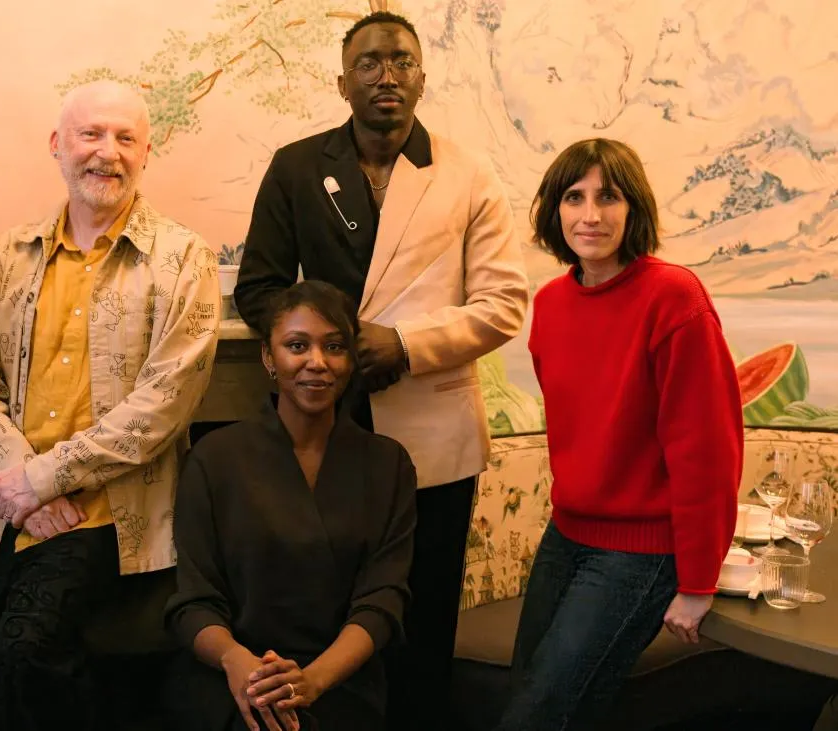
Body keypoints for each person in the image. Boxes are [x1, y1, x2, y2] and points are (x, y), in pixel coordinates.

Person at [232, 11, 528, 727]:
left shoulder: (469, 172)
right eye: (368, 62)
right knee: (321, 612)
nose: (386, 74)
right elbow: (258, 289)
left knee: (421, 625)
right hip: (319, 431)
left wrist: (404, 342)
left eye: (400, 60)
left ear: (423, 77)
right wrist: (324, 345)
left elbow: (504, 302)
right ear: (343, 81)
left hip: (434, 437)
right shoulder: (297, 166)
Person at [0, 80, 221, 731]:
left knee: (23, 654)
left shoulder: (184, 259)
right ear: (58, 146)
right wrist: (24, 485)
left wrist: (44, 479)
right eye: (91, 134)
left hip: (109, 521)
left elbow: (164, 405)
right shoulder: (7, 256)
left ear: (146, 150)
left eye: (126, 138)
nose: (108, 152)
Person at [494, 138, 742, 730]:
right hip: (567, 534)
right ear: (555, 209)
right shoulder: (551, 303)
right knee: (538, 697)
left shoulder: (674, 298)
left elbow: (706, 449)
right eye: (574, 197)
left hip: (642, 552)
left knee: (537, 715)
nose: (591, 215)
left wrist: (699, 579)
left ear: (634, 209)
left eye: (609, 197)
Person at [164, 281, 418, 731]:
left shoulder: (387, 463)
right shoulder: (216, 458)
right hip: (232, 680)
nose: (317, 363)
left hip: (340, 682)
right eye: (297, 345)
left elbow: (383, 600)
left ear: (351, 358)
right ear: (268, 357)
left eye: (335, 346)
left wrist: (312, 681)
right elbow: (194, 602)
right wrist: (237, 662)